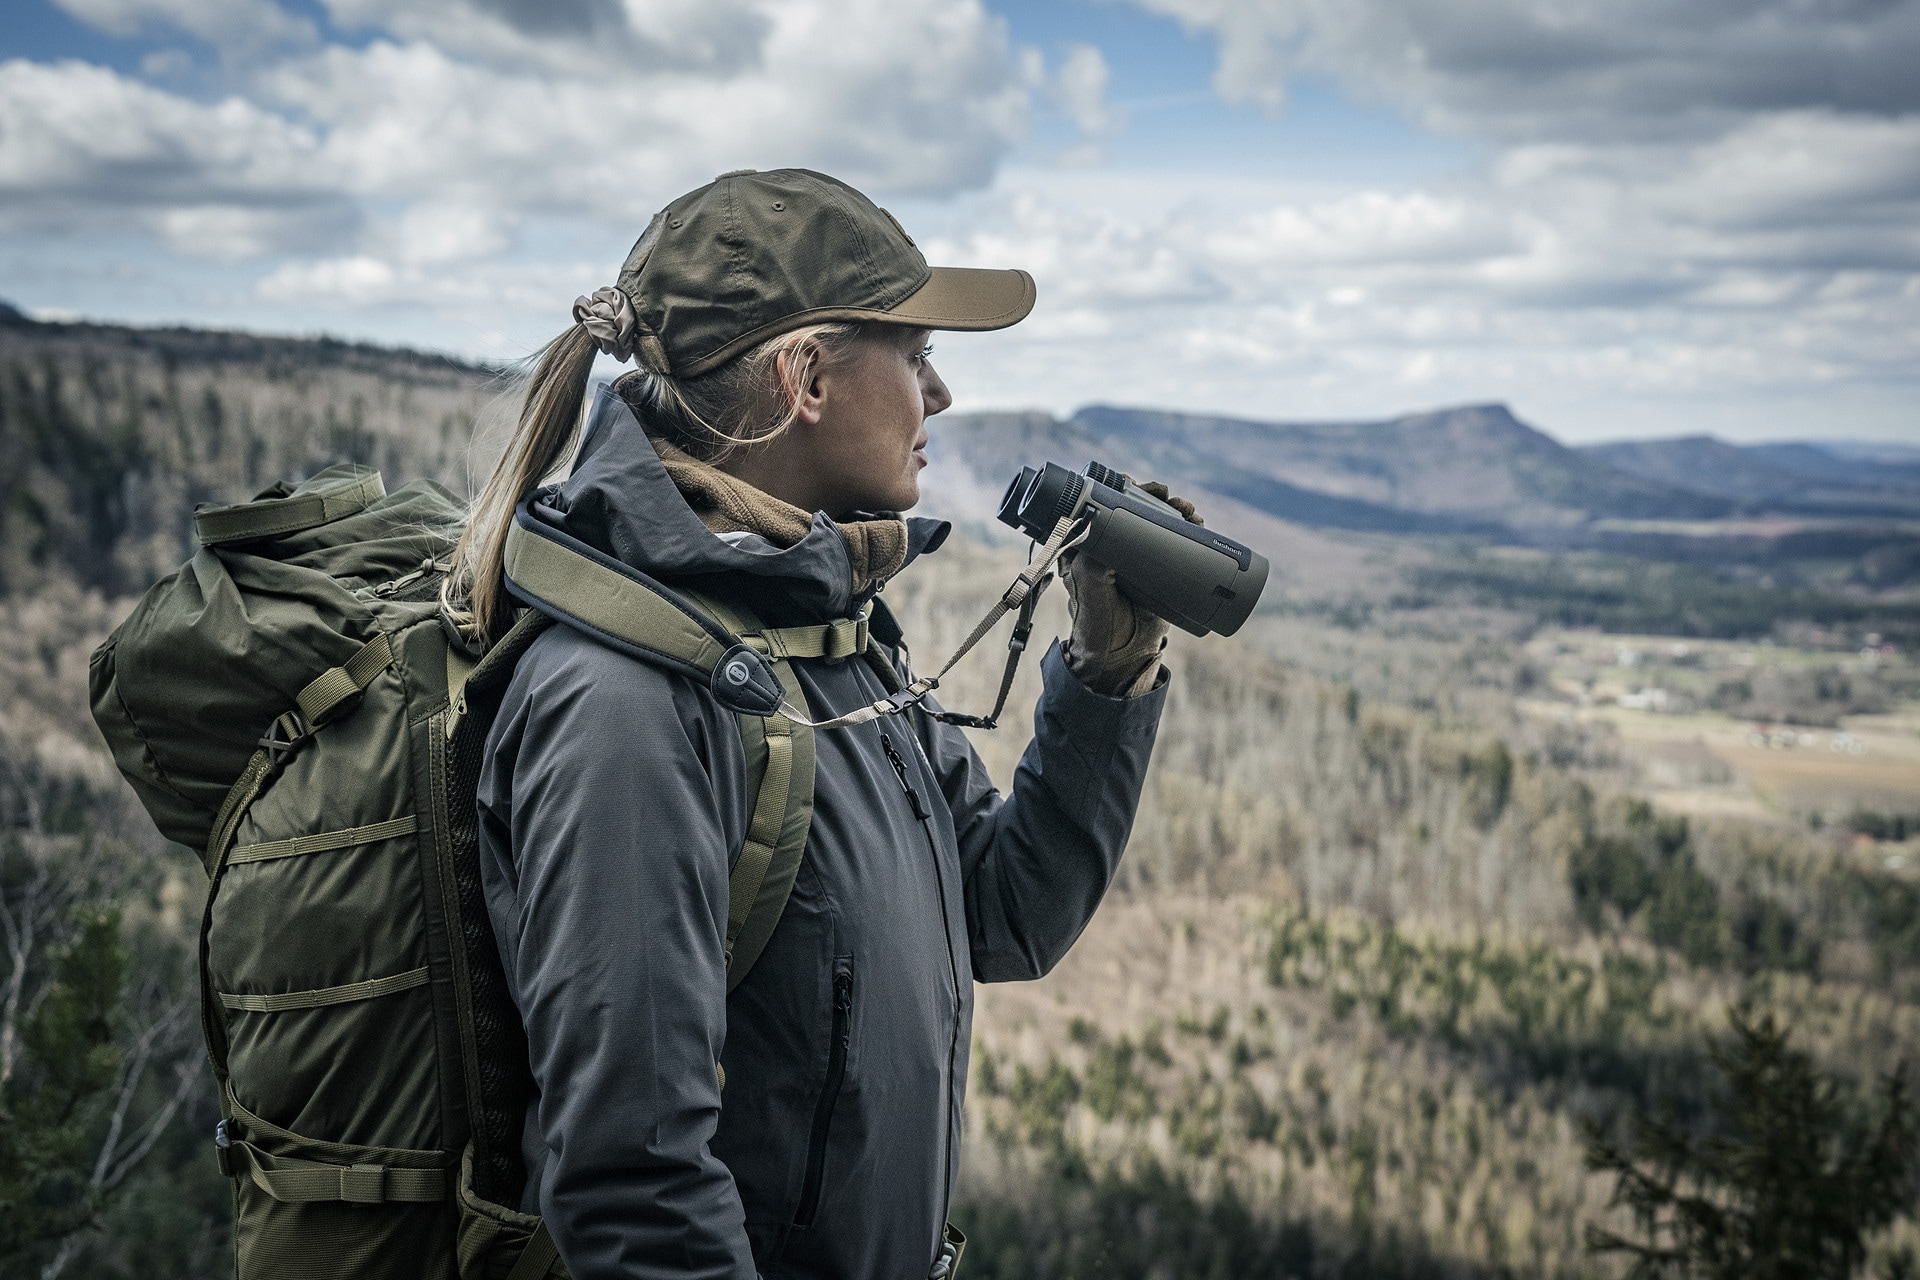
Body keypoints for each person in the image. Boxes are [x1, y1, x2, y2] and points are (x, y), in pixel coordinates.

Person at [450, 168, 1190, 1280]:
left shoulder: (824, 631)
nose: (938, 394)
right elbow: (634, 1183)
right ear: (805, 376)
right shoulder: (624, 706)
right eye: (917, 353)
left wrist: (1107, 665)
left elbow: (1004, 908)